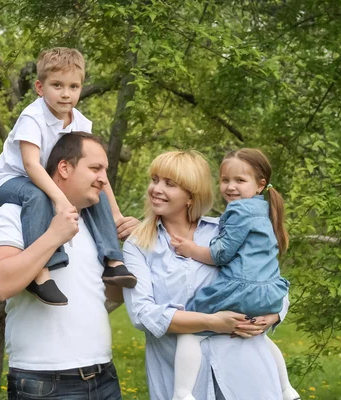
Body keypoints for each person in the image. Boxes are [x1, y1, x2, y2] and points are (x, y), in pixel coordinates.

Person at [123, 150, 293, 400]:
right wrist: (211, 322)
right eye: (154, 179)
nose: (156, 189)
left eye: (169, 183)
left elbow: (268, 279)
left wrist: (274, 315)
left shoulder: (224, 232)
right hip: (186, 381)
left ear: (191, 195)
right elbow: (142, 314)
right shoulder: (139, 244)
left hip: (246, 375)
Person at [0, 132, 131, 400]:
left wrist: (137, 249)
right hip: (44, 383)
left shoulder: (96, 224)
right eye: (95, 168)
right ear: (64, 167)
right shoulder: (13, 213)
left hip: (104, 377)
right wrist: (54, 236)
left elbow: (112, 296)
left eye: (105, 170)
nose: (104, 179)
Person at [0, 47, 136, 306]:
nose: (66, 94)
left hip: (40, 181)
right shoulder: (32, 118)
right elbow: (31, 165)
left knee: (94, 190)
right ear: (39, 87)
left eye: (73, 86)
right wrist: (59, 199)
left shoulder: (81, 123)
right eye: (57, 85)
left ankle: (114, 261)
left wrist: (116, 214)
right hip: (8, 181)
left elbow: (99, 172)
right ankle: (40, 273)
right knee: (38, 194)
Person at [169, 148, 300, 400]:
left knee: (190, 329)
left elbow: (221, 254)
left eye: (240, 180)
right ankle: (286, 388)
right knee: (258, 337)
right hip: (269, 293)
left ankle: (182, 393)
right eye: (225, 180)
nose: (231, 187)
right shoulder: (264, 211)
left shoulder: (238, 211)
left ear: (260, 185)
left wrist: (190, 249)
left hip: (241, 289)